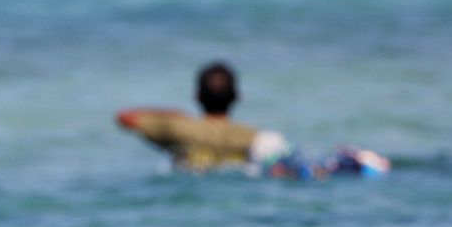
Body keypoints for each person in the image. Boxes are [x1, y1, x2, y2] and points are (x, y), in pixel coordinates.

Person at [116, 61, 391, 177]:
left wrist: (171, 115)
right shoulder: (250, 135)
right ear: (236, 96)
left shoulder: (179, 129)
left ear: (197, 95)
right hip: (253, 158)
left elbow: (125, 117)